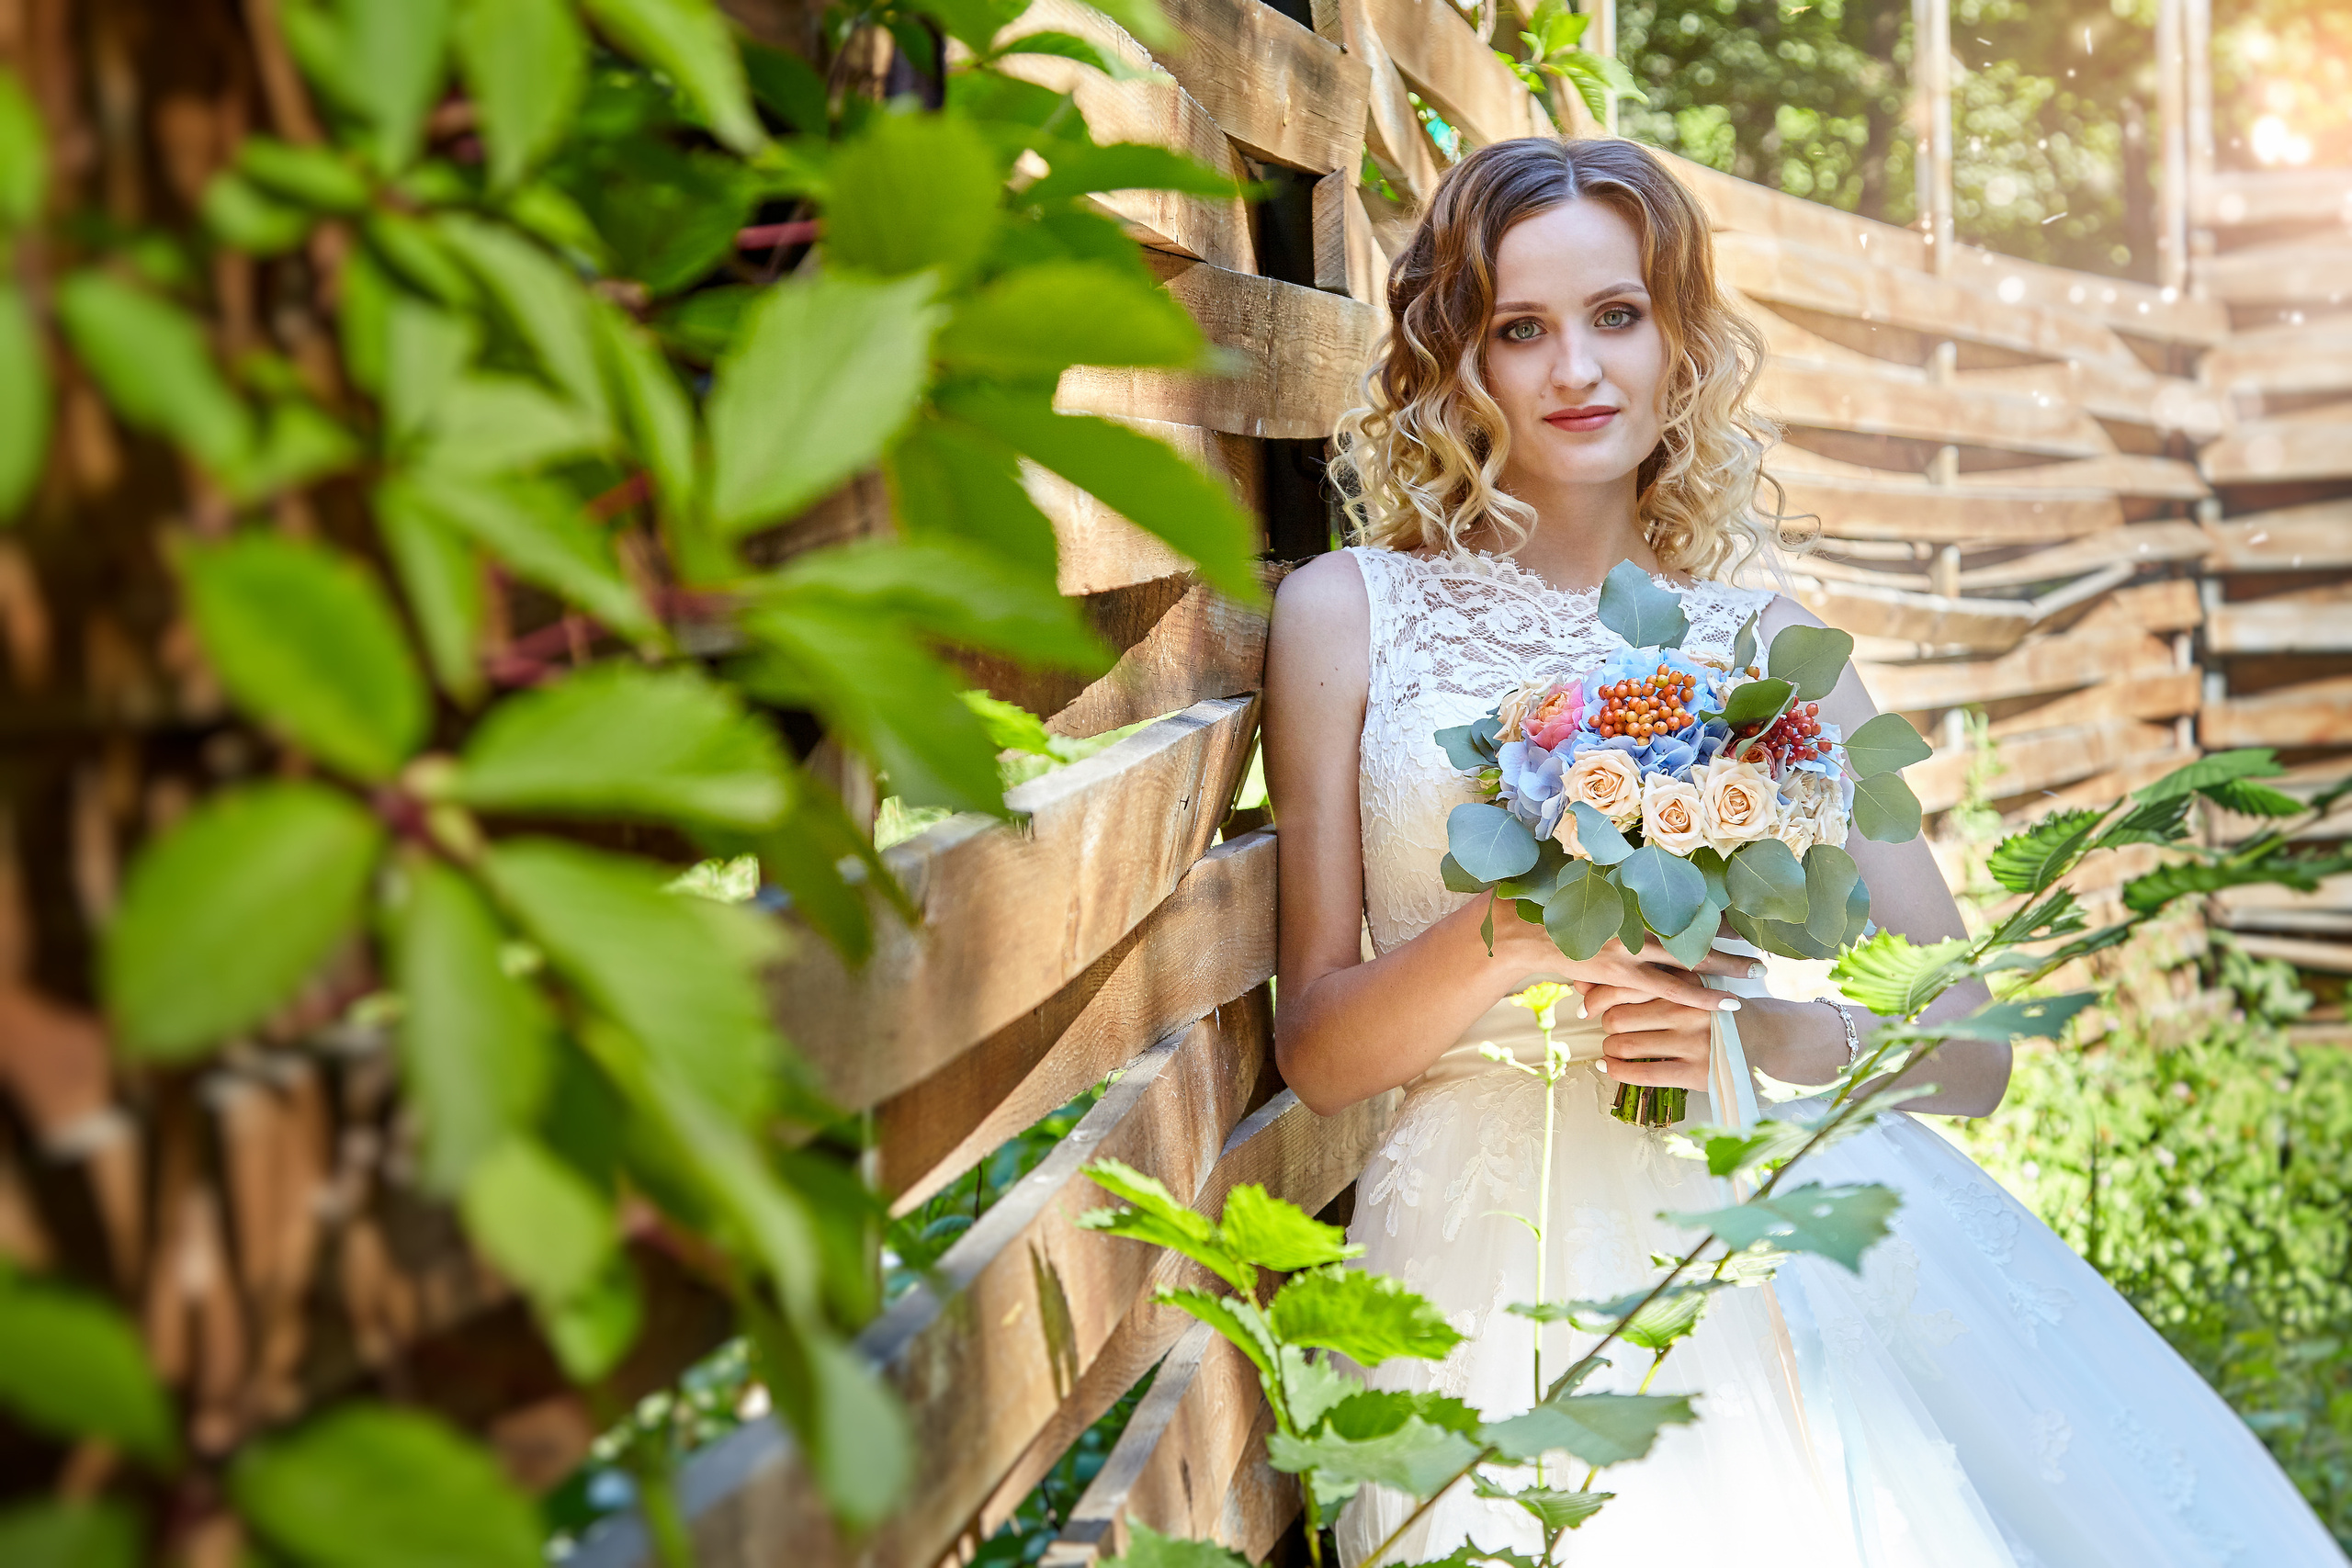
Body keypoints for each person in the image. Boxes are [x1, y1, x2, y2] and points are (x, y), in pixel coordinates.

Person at [1261, 136, 2344, 1568]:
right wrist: (1520, 929)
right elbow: (1321, 1050)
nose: (1577, 369)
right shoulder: (1349, 615)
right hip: (1473, 1250)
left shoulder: (1768, 647)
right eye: (1521, 328)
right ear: (1458, 357)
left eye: (1617, 315)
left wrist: (1753, 1026)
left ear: (1678, 339)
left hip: (1745, 1209)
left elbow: (1972, 1043)